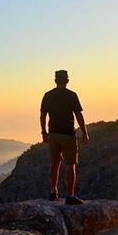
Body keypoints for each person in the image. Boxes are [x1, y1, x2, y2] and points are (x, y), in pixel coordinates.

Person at [40, 70, 89, 205]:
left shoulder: (48, 95)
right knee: (70, 164)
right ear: (67, 81)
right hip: (68, 133)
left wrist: (44, 133)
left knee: (54, 163)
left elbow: (43, 115)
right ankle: (70, 196)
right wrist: (85, 132)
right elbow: (78, 115)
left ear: (55, 81)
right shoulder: (71, 95)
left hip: (53, 133)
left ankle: (52, 192)